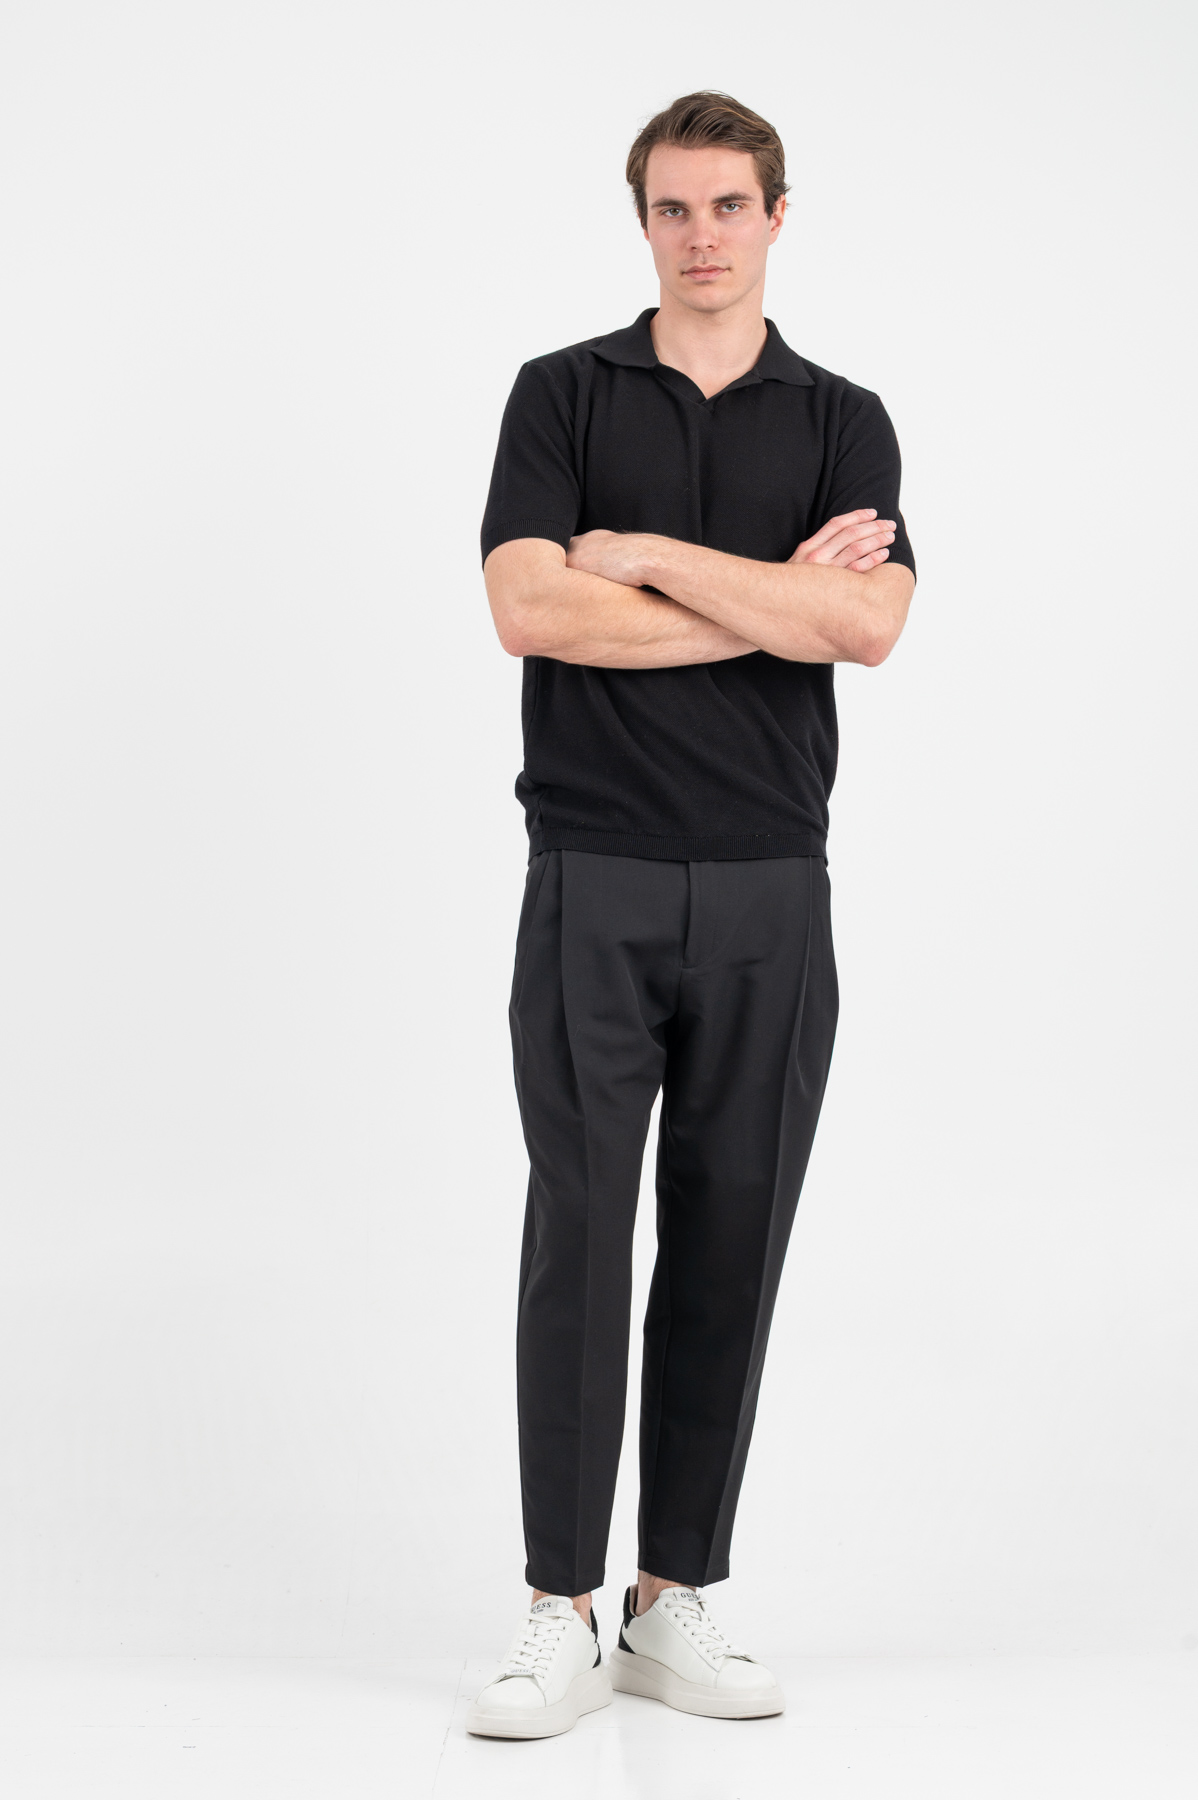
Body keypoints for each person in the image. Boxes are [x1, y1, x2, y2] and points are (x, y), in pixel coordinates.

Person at [467, 90, 916, 1740]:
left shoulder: (843, 419)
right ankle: (558, 1609)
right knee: (580, 1237)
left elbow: (867, 629)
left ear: (776, 216)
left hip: (769, 881)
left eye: (729, 205)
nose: (701, 235)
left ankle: (672, 1600)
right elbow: (529, 608)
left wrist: (645, 556)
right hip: (588, 867)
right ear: (641, 219)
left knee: (732, 1234)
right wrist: (775, 599)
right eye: (672, 207)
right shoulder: (562, 392)